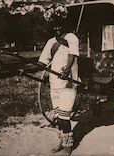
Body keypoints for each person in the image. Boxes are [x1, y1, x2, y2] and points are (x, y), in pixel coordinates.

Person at [38, 4, 79, 156]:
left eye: (60, 25)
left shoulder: (71, 38)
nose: (57, 28)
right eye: (55, 26)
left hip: (69, 82)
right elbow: (43, 60)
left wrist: (67, 69)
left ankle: (68, 145)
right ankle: (62, 141)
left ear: (65, 24)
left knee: (64, 116)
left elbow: (72, 55)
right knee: (58, 117)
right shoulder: (51, 41)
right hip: (54, 83)